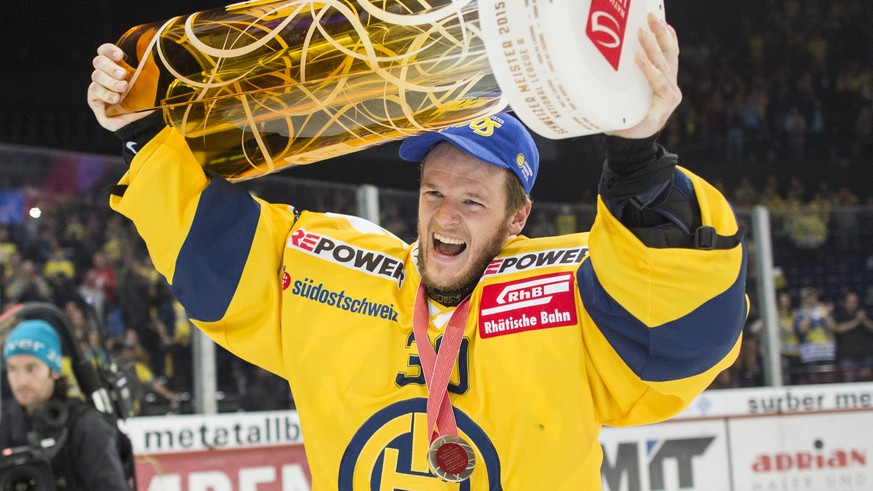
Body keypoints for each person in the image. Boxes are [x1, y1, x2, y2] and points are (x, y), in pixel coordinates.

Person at [88, 14, 748, 489]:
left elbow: (682, 322)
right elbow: (213, 254)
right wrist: (139, 129)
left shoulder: (567, 293)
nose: (444, 213)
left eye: (472, 198)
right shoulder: (338, 273)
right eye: (434, 191)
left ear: (518, 216)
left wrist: (636, 154)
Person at [0, 319, 129, 489]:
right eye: (13, 369)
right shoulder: (6, 423)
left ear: (53, 371)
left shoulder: (86, 426)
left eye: (31, 368)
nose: (21, 381)